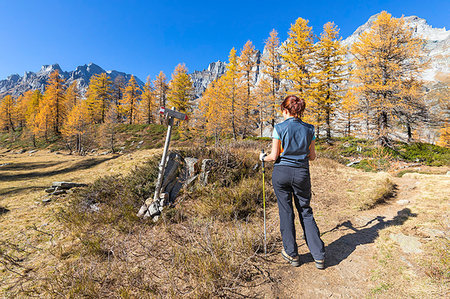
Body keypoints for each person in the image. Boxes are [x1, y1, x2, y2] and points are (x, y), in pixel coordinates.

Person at [260, 95, 325, 269]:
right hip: (301, 173)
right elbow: (312, 156)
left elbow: (274, 156)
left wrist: (262, 157)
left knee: (286, 211)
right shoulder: (309, 129)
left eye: (282, 110)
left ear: (286, 110)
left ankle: (292, 253)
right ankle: (318, 255)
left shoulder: (279, 128)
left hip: (282, 173)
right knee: (305, 210)